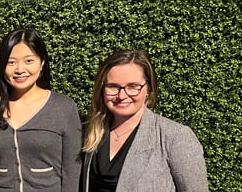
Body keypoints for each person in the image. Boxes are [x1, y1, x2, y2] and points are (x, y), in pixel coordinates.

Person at [79, 50, 209, 191]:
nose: (122, 95)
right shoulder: (90, 131)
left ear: (148, 88)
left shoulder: (175, 136)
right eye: (113, 86)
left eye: (133, 86)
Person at [0, 28, 81, 192]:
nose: (20, 69)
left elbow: (72, 169)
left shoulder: (63, 108)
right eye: (11, 62)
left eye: (29, 61)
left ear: (42, 62)